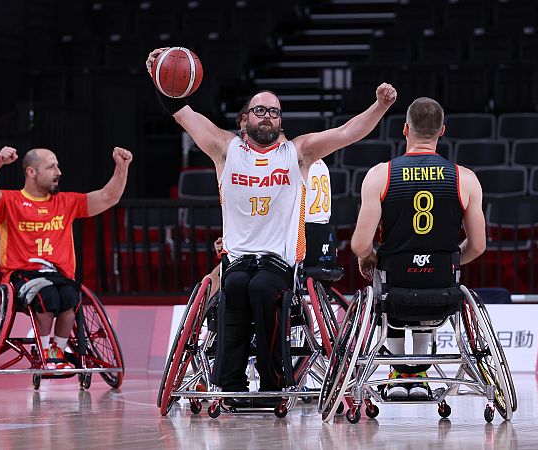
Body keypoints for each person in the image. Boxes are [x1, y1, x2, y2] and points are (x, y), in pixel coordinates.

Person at [146, 47, 396, 405]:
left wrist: (380, 106)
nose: (267, 117)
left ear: (281, 122)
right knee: (234, 286)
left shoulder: (298, 153)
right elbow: (179, 110)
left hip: (280, 264)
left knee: (262, 288)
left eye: (274, 112)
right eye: (260, 110)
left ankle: (272, 382)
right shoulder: (224, 148)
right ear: (244, 119)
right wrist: (158, 75)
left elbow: (347, 133)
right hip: (236, 261)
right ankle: (229, 386)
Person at [350, 97, 486, 400]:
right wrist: (448, 261)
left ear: (405, 129)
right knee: (427, 287)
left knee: (389, 280)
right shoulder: (465, 178)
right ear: (441, 131)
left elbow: (360, 244)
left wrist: (370, 258)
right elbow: (478, 246)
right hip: (441, 285)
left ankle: (399, 371)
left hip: (395, 283)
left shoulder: (380, 175)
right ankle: (420, 370)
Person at [0, 145, 133, 370]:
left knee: (70, 296)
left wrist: (121, 168)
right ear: (31, 172)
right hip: (22, 275)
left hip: (57, 275)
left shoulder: (66, 202)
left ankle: (57, 350)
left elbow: (108, 197)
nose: (59, 171)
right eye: (51, 166)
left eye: (57, 165)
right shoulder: (10, 201)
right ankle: (43, 350)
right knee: (48, 297)